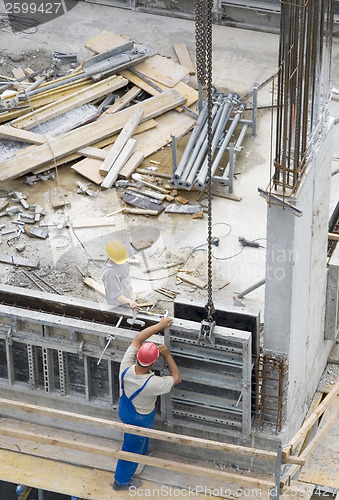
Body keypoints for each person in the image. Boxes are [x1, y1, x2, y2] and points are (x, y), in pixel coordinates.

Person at [113, 316, 181, 491]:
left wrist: (160, 325)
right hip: (140, 419)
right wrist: (168, 355)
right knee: (130, 449)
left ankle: (140, 454)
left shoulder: (126, 366)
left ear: (137, 356)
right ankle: (121, 482)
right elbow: (177, 377)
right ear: (153, 362)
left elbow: (137, 338)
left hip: (126, 410)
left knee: (136, 441)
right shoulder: (153, 383)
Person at [102, 239, 139, 310]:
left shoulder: (120, 256)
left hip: (127, 296)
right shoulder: (110, 273)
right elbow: (116, 295)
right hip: (119, 305)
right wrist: (129, 302)